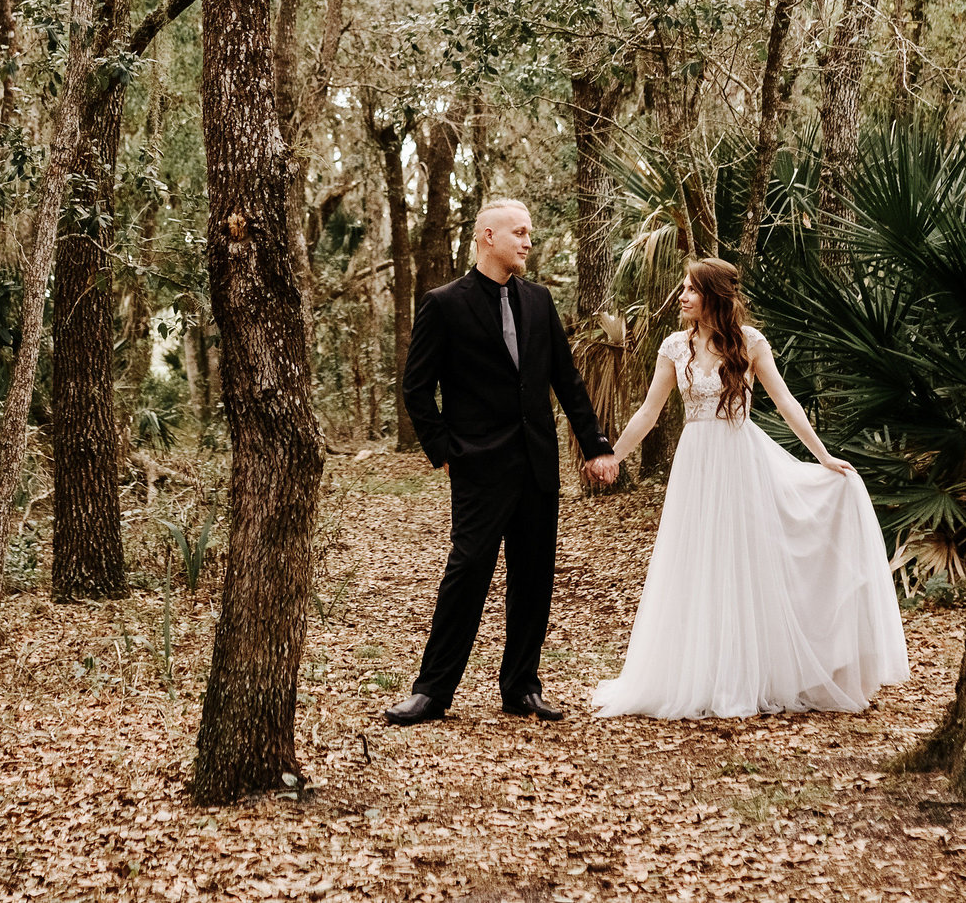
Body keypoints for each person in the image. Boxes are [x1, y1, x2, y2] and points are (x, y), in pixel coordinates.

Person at [591, 256, 909, 720]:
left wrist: (822, 456)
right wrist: (613, 455)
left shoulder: (750, 343)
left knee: (743, 560)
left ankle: (751, 671)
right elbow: (648, 411)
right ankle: (697, 671)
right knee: (697, 561)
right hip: (696, 464)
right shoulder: (674, 347)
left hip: (740, 458)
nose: (681, 296)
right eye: (683, 288)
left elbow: (785, 402)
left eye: (691, 289)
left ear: (714, 295)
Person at [387, 198, 620, 725]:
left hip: (538, 464)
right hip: (479, 466)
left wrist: (597, 444)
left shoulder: (539, 302)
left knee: (533, 577)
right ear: (486, 237)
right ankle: (432, 691)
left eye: (530, 233)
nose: (527, 242)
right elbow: (417, 389)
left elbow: (568, 382)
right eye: (518, 232)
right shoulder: (443, 304)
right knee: (467, 571)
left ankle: (521, 687)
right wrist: (445, 452)